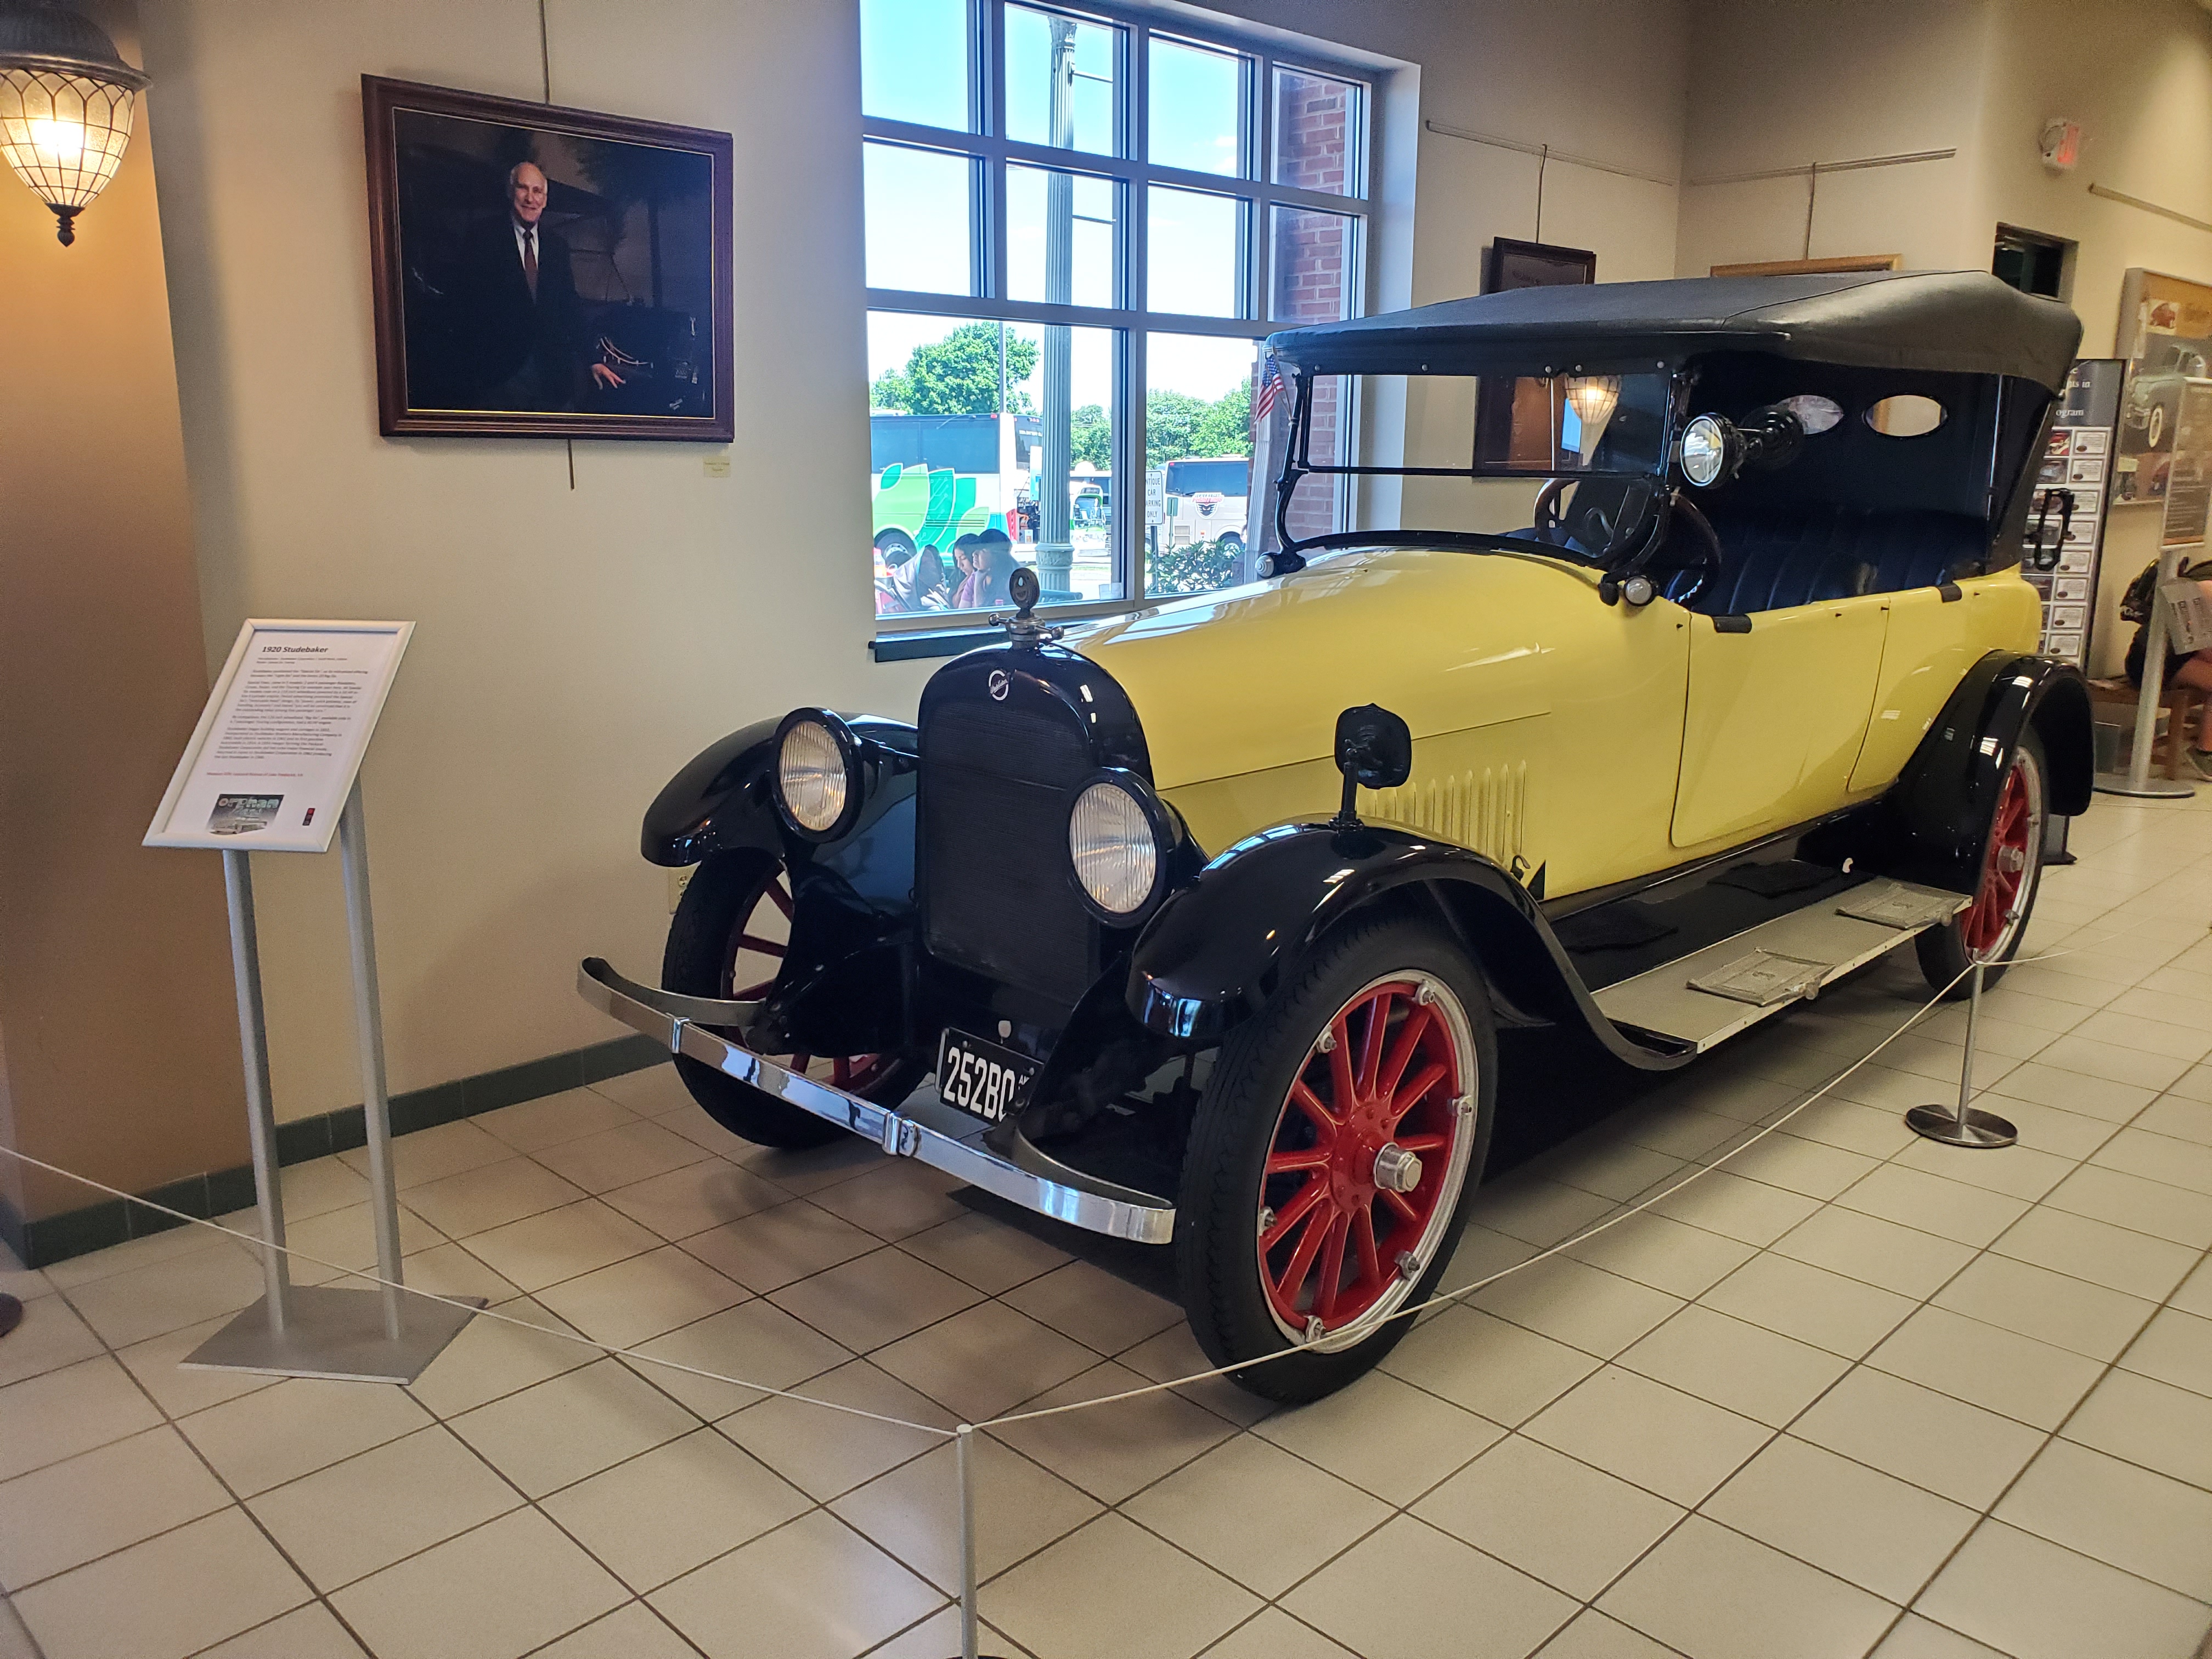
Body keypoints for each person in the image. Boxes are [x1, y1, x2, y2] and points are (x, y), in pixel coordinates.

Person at [448, 161, 624, 411]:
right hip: (499, 379)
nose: (530, 198)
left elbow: (569, 308)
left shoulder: (557, 247)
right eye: (523, 189)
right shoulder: (483, 238)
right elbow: (465, 309)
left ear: (545, 198)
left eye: (537, 191)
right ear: (511, 192)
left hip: (552, 380)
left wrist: (592, 360)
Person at [2123, 558, 2212, 774]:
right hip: (2154, 658)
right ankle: (2205, 753)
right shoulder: (2206, 589)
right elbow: (2205, 649)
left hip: (2179, 653)